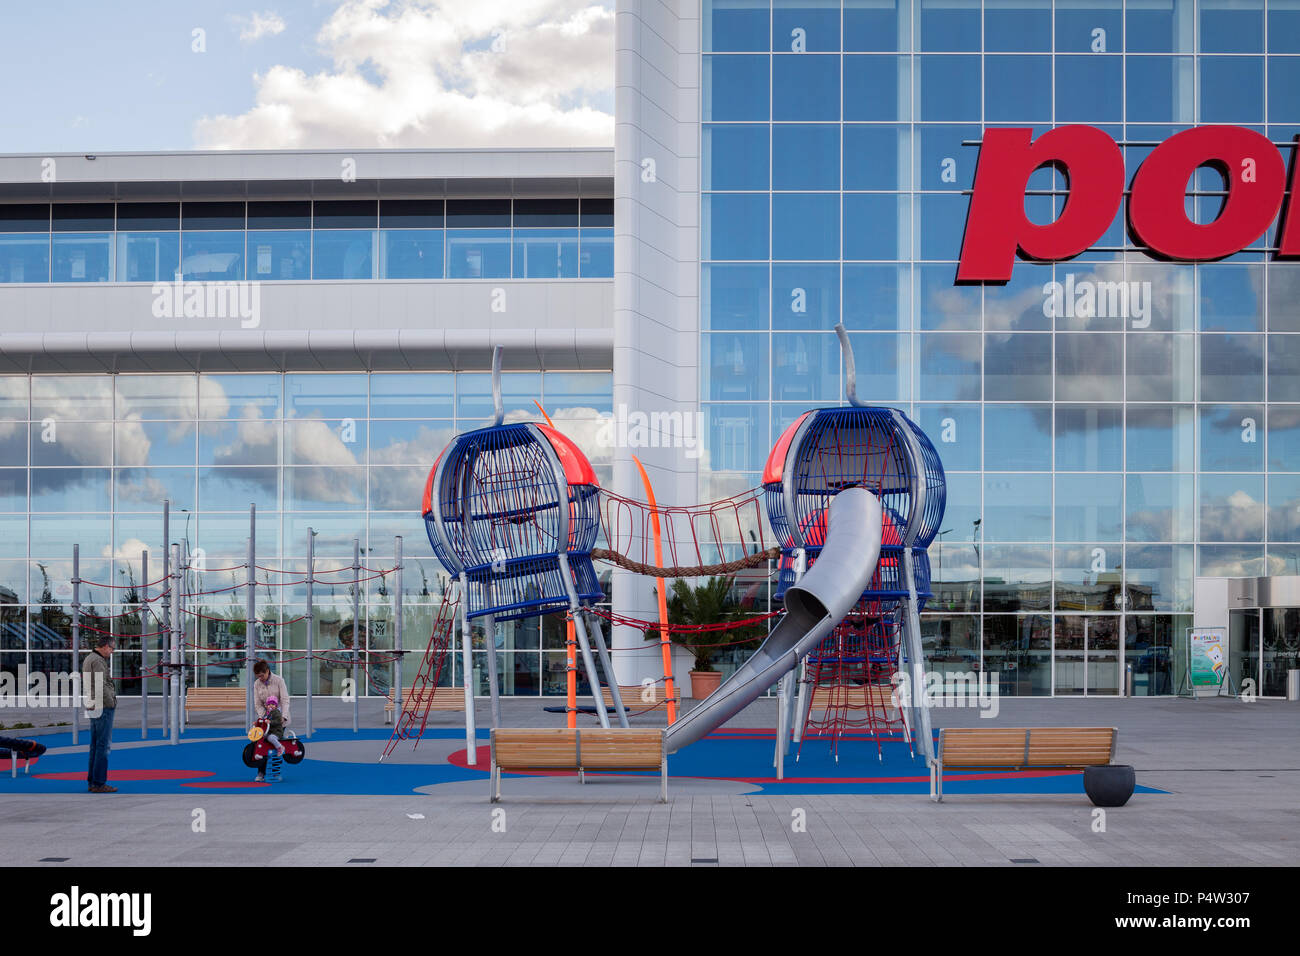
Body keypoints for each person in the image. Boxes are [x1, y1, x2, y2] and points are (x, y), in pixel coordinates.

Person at [82, 634, 117, 793]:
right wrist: (111, 702)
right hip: (102, 706)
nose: (112, 651)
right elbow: (101, 685)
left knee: (95, 746)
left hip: (94, 704)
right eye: (111, 648)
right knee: (103, 746)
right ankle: (99, 782)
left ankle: (93, 781)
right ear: (104, 646)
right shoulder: (97, 661)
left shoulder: (90, 658)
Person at [252, 659, 290, 727]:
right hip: (266, 718)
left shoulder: (279, 680)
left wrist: (283, 716)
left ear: (267, 671)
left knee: (277, 736)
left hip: (280, 716)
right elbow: (258, 704)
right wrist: (264, 717)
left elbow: (285, 700)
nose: (260, 678)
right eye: (258, 676)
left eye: (262, 675)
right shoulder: (256, 684)